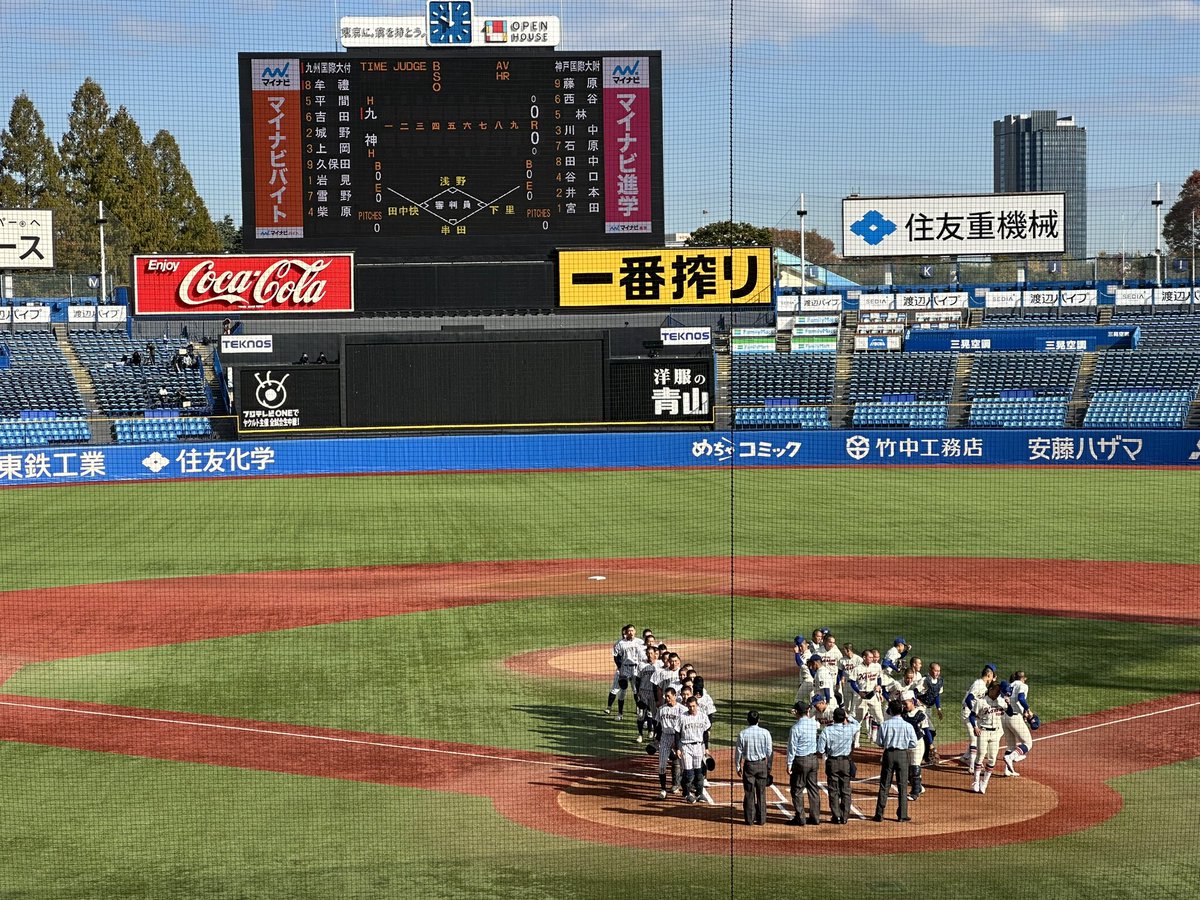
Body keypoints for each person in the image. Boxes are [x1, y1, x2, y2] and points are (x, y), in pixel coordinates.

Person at [872, 698, 917, 822]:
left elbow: (880, 742)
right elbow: (913, 743)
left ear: (890, 711)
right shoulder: (907, 726)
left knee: (884, 784)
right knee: (902, 786)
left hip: (888, 755)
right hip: (902, 755)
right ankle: (902, 815)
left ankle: (879, 815)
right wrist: (904, 744)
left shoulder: (885, 725)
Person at [818, 707, 858, 824]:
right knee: (845, 790)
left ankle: (836, 816)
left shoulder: (827, 730)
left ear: (833, 718)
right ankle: (845, 816)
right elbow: (857, 724)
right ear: (844, 718)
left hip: (832, 762)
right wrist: (848, 717)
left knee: (833, 790)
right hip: (846, 762)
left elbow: (820, 750)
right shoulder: (850, 729)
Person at [734, 709, 773, 826]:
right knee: (761, 792)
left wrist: (738, 766)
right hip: (762, 765)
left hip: (749, 766)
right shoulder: (765, 733)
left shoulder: (743, 734)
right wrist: (769, 766)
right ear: (758, 720)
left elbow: (738, 752)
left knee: (749, 793)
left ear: (747, 720)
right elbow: (770, 751)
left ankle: (749, 820)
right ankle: (761, 820)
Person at [786, 700, 821, 826]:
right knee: (813, 789)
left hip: (800, 761)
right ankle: (815, 817)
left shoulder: (795, 728)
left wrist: (789, 764)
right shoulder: (813, 724)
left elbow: (792, 748)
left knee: (797, 789)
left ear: (796, 712)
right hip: (813, 760)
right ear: (807, 711)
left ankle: (800, 818)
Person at [970, 681, 1007, 794]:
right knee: (980, 755)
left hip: (996, 733)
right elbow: (972, 716)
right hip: (983, 731)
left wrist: (1008, 703)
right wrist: (975, 727)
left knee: (992, 758)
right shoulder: (981, 702)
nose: (998, 693)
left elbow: (1009, 712)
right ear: (990, 689)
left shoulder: (1000, 701)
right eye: (996, 691)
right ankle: (976, 781)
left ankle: (984, 782)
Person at [961, 664, 997, 774]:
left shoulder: (983, 685)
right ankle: (972, 766)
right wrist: (974, 712)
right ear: (988, 674)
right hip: (967, 713)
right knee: (974, 738)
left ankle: (966, 757)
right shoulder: (978, 684)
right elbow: (968, 699)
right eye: (992, 676)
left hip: (973, 713)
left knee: (977, 737)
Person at [678, 695, 712, 803]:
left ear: (697, 705)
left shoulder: (703, 717)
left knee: (699, 772)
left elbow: (706, 733)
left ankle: (699, 793)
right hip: (686, 746)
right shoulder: (682, 717)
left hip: (699, 746)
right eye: (689, 706)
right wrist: (678, 748)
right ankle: (686, 793)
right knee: (688, 773)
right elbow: (677, 733)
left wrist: (706, 748)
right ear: (687, 706)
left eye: (693, 706)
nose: (691, 708)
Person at [606, 624, 643, 720]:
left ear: (635, 631)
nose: (630, 632)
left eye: (632, 630)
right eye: (629, 631)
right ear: (626, 632)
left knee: (636, 691)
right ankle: (620, 713)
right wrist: (620, 668)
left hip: (636, 669)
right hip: (624, 668)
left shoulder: (640, 642)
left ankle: (639, 710)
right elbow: (616, 657)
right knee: (622, 691)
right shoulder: (620, 643)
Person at [1001, 672, 1035, 777]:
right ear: (1023, 678)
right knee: (1028, 743)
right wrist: (1027, 709)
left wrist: (1024, 712)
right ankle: (1010, 758)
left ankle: (1008, 770)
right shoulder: (1023, 685)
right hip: (1014, 717)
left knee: (1011, 746)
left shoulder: (1010, 685)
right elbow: (1021, 698)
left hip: (1004, 717)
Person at [901, 692, 933, 801]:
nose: (904, 706)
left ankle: (915, 793)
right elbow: (889, 711)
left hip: (918, 744)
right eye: (903, 703)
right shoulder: (902, 714)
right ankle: (918, 787)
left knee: (915, 768)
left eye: (906, 703)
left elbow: (926, 730)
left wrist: (931, 745)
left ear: (912, 701)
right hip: (906, 745)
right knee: (908, 770)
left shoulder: (921, 715)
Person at [655, 687, 685, 798]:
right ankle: (663, 790)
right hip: (665, 737)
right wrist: (656, 740)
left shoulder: (682, 710)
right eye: (665, 696)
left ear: (675, 696)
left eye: (669, 696)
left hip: (678, 738)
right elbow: (658, 726)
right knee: (662, 765)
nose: (667, 698)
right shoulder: (661, 709)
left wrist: (677, 742)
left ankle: (685, 786)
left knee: (684, 764)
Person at [633, 643, 662, 744]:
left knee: (654, 715)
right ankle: (640, 735)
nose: (649, 655)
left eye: (651, 653)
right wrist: (637, 693)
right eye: (648, 653)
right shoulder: (641, 664)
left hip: (654, 693)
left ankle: (654, 734)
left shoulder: (660, 664)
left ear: (655, 654)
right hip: (643, 692)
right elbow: (637, 679)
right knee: (641, 715)